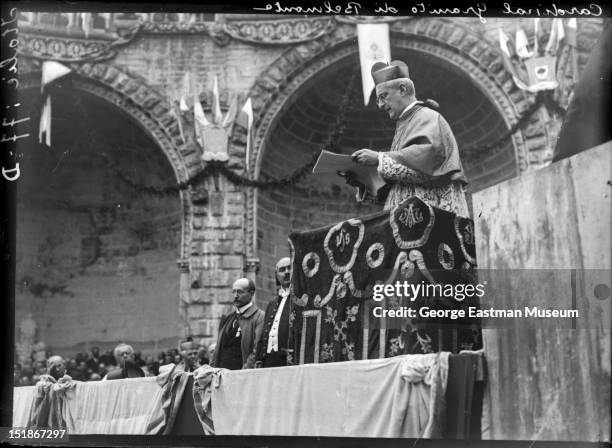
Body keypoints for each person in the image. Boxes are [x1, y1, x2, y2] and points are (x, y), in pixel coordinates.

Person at [349, 60, 469, 215]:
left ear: (402, 90)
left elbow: (428, 161)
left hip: (431, 213)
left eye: (383, 96)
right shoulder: (404, 123)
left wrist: (379, 158)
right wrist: (364, 180)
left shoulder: (427, 117)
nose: (379, 105)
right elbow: (399, 184)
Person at [212, 278, 264, 370]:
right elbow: (218, 349)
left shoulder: (259, 317)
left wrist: (244, 371)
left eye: (240, 292)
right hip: (222, 375)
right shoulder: (227, 318)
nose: (235, 296)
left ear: (251, 294)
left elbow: (257, 350)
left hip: (242, 376)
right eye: (234, 292)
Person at [256, 257, 293, 368]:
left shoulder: (300, 300)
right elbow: (263, 335)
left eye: (289, 268)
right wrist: (259, 358)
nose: (286, 272)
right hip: (269, 359)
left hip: (289, 361)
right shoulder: (272, 303)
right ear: (277, 275)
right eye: (282, 270)